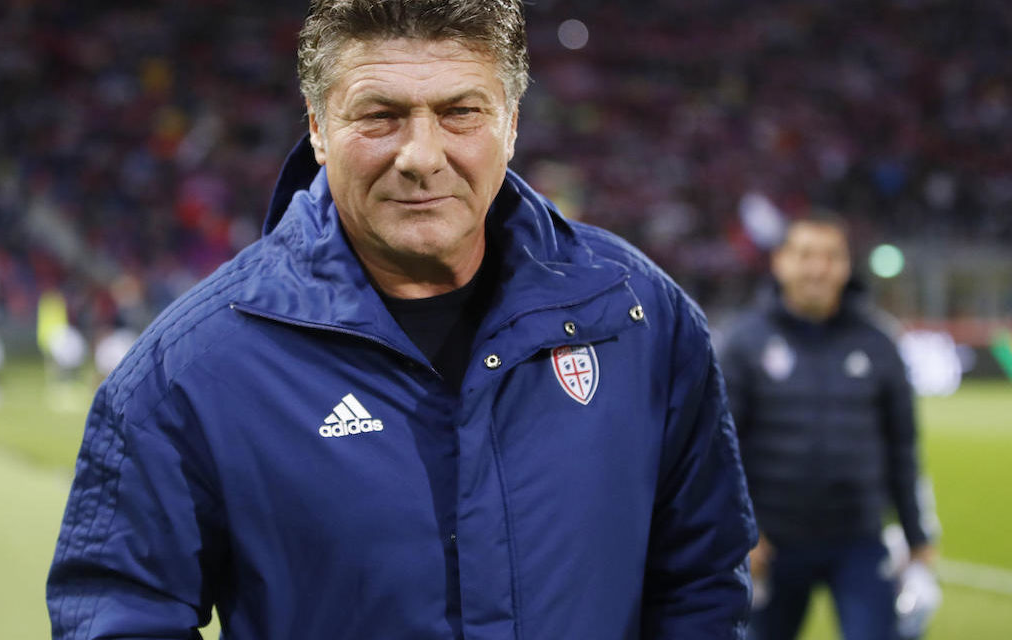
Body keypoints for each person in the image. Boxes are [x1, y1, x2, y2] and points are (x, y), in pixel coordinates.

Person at [47, 1, 756, 638]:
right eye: (380, 115)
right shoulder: (192, 370)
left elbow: (701, 585)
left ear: (511, 123)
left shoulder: (638, 319)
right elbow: (120, 615)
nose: (421, 157)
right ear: (319, 127)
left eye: (461, 112)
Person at [720, 213, 936, 640]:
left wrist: (917, 539)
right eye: (805, 255)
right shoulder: (744, 342)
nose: (817, 268)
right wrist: (740, 533)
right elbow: (720, 449)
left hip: (859, 539)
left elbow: (902, 448)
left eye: (830, 256)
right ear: (780, 262)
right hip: (771, 546)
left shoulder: (879, 343)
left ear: (846, 266)